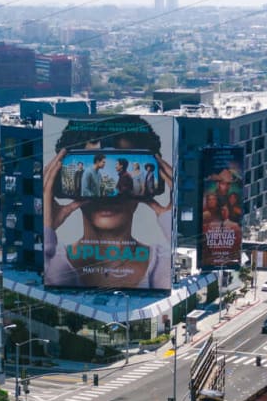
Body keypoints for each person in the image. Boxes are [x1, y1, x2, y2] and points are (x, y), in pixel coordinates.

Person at [42, 116, 176, 289]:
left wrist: (173, 222)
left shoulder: (162, 263)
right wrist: (46, 229)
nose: (107, 198)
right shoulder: (51, 263)